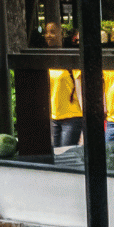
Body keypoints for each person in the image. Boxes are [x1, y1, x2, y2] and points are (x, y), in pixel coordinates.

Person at [42, 22, 83, 150]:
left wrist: (86, 124)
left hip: (71, 117)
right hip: (53, 117)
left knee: (65, 156)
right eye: (46, 32)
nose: (48, 35)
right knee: (54, 154)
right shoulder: (45, 58)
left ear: (61, 35)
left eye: (53, 32)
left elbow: (80, 91)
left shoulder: (69, 58)